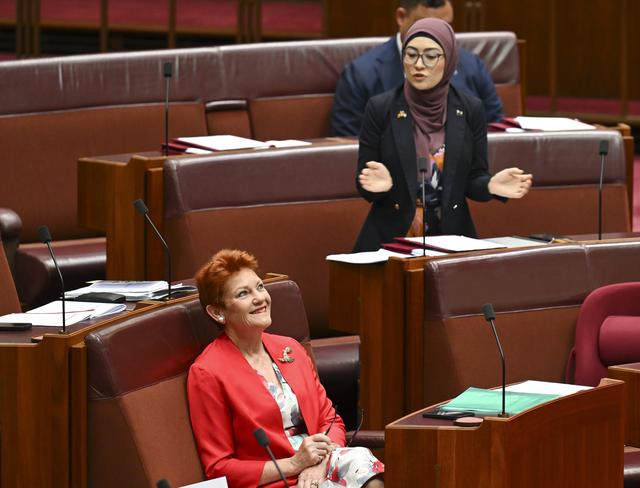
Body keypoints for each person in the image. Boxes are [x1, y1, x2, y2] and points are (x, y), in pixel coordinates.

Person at [187, 249, 384, 488]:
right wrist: (295, 464)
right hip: (274, 480)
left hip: (320, 465)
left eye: (260, 287)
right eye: (243, 293)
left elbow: (331, 420)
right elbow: (219, 468)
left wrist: (319, 463)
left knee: (361, 462)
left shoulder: (289, 348)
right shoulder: (208, 372)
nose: (260, 298)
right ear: (218, 312)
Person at [353, 18, 532, 252]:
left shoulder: (470, 109)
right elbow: (364, 181)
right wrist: (381, 187)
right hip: (392, 238)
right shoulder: (381, 108)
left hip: (452, 237)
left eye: (430, 56)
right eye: (411, 54)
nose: (419, 64)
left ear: (449, 60)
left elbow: (473, 179)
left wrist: (490, 186)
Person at [331, 0, 504, 137]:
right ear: (401, 17)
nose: (436, 37)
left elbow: (495, 126)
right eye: (425, 27)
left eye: (445, 27)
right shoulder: (361, 74)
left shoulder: (472, 65)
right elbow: (348, 140)